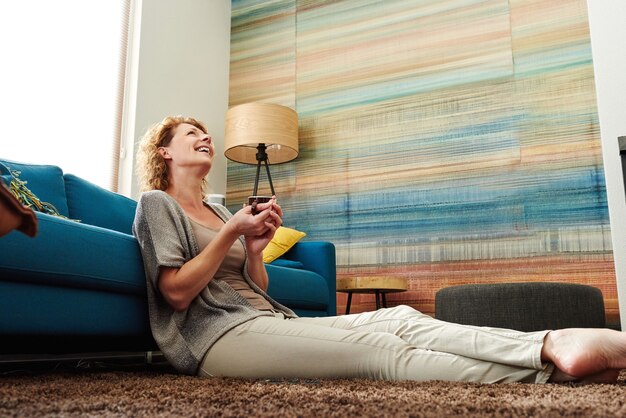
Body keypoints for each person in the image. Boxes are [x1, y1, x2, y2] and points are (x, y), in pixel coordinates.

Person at [133, 115, 626, 384]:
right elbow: (176, 294)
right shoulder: (156, 204)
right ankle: (550, 373)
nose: (207, 138)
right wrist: (231, 235)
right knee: (385, 353)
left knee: (401, 318)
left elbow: (252, 286)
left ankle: (546, 343)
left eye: (206, 134)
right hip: (216, 339)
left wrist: (255, 248)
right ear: (165, 151)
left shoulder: (219, 211)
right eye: (193, 134)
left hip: (270, 320)